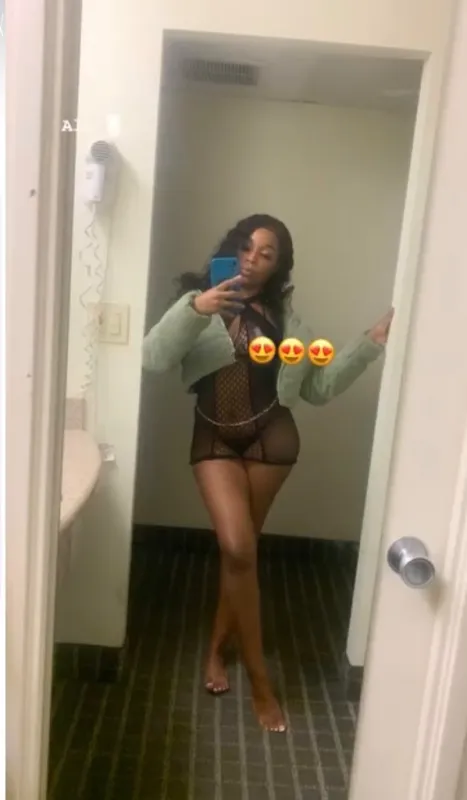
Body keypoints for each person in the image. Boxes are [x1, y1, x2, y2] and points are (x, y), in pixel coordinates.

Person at [142, 213, 393, 733]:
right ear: (231, 250)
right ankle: (260, 681)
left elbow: (318, 389)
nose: (253, 260)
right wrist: (196, 309)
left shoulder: (288, 324)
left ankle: (216, 651)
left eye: (267, 254)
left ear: (279, 266)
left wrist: (370, 342)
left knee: (242, 554)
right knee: (238, 547)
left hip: (272, 441)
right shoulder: (200, 302)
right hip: (214, 437)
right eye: (247, 248)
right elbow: (153, 358)